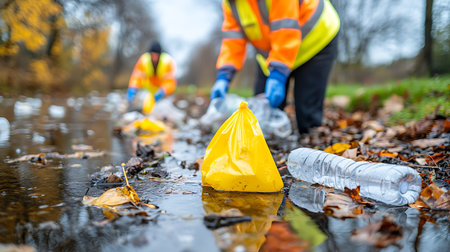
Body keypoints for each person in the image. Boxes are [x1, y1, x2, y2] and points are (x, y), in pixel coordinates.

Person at [210, 0, 340, 133]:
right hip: (274, 55)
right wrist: (223, 77)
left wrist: (277, 74)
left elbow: (285, 29)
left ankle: (311, 145)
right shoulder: (230, 3)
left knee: (307, 117)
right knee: (260, 116)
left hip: (314, 43)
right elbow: (233, 41)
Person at [127, 41, 177, 106]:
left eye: (156, 55)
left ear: (160, 55)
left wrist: (162, 92)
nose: (154, 57)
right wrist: (132, 88)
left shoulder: (167, 62)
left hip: (161, 94)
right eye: (152, 55)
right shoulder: (144, 60)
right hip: (146, 92)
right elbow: (137, 76)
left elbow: (170, 82)